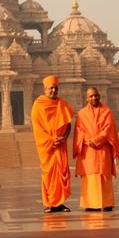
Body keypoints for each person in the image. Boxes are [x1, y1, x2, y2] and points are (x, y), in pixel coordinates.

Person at [73, 87, 119, 212]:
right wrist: (89, 140)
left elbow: (108, 129)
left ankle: (107, 203)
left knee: (104, 175)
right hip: (88, 150)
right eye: (91, 96)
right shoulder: (82, 114)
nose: (94, 98)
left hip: (103, 148)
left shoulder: (107, 111)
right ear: (86, 98)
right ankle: (90, 203)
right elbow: (79, 130)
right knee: (90, 177)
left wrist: (97, 140)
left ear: (99, 96)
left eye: (96, 95)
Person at [31, 75, 74, 213]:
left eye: (56, 88)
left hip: (60, 145)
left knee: (61, 172)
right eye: (51, 88)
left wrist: (64, 137)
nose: (54, 91)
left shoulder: (62, 104)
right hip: (47, 147)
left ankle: (60, 203)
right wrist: (50, 140)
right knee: (48, 173)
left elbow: (68, 124)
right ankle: (49, 203)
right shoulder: (38, 105)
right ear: (45, 89)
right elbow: (37, 128)